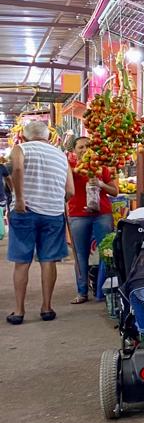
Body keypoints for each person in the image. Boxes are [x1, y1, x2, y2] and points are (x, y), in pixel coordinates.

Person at [6, 121, 74, 325]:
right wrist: (55, 201)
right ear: (48, 136)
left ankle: (19, 311)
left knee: (22, 262)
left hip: (25, 212)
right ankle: (47, 308)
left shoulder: (20, 149)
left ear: (24, 136)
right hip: (53, 214)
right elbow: (70, 191)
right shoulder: (61, 156)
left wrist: (19, 199)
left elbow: (17, 169)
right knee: (48, 260)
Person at [67, 136, 118, 304]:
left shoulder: (102, 168)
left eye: (87, 146)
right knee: (80, 254)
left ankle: (102, 291)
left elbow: (115, 191)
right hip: (78, 215)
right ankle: (82, 292)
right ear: (74, 151)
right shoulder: (71, 169)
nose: (84, 150)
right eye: (80, 147)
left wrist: (102, 184)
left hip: (102, 214)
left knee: (106, 252)